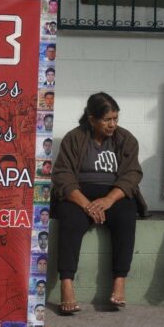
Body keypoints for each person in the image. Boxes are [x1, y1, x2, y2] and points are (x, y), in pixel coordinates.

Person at [51, 92, 147, 314]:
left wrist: (109, 199)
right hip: (79, 193)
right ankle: (67, 285)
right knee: (69, 218)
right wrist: (86, 205)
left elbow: (132, 174)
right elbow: (63, 175)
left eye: (115, 118)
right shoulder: (74, 138)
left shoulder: (126, 139)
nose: (112, 124)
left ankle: (119, 281)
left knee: (126, 215)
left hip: (113, 193)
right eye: (107, 119)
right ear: (92, 119)